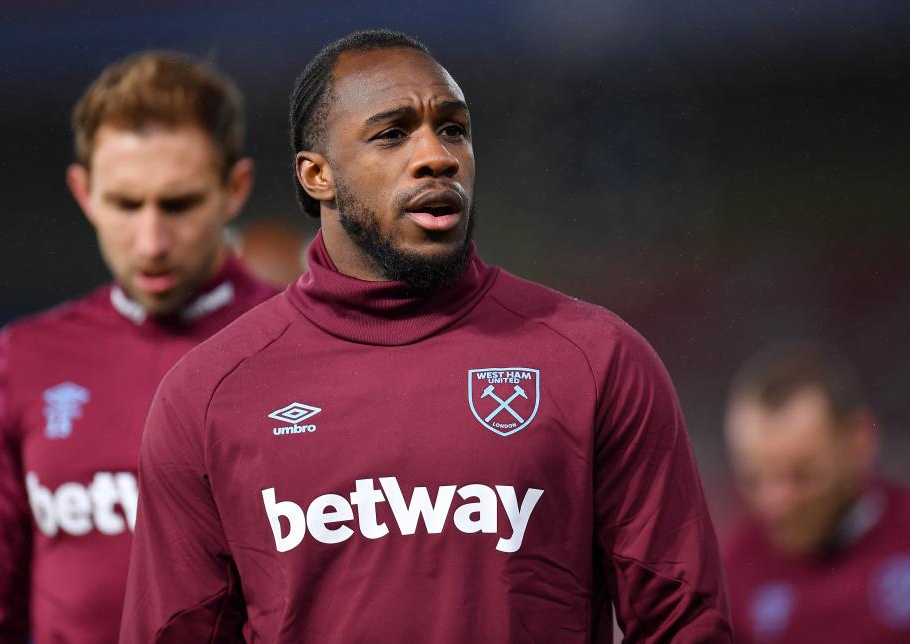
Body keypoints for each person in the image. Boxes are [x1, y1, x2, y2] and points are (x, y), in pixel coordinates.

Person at [121, 30, 733, 642]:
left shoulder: (597, 360)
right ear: (316, 175)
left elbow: (685, 623)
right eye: (392, 134)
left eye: (454, 129)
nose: (437, 155)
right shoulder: (207, 396)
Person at [0, 51, 279, 643]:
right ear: (84, 192)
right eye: (126, 205)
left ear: (235, 189)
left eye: (178, 205)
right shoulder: (20, 362)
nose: (151, 241)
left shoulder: (304, 347)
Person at [723, 343, 910, 643]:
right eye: (755, 478)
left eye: (804, 474)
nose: (777, 500)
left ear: (860, 442)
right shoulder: (734, 570)